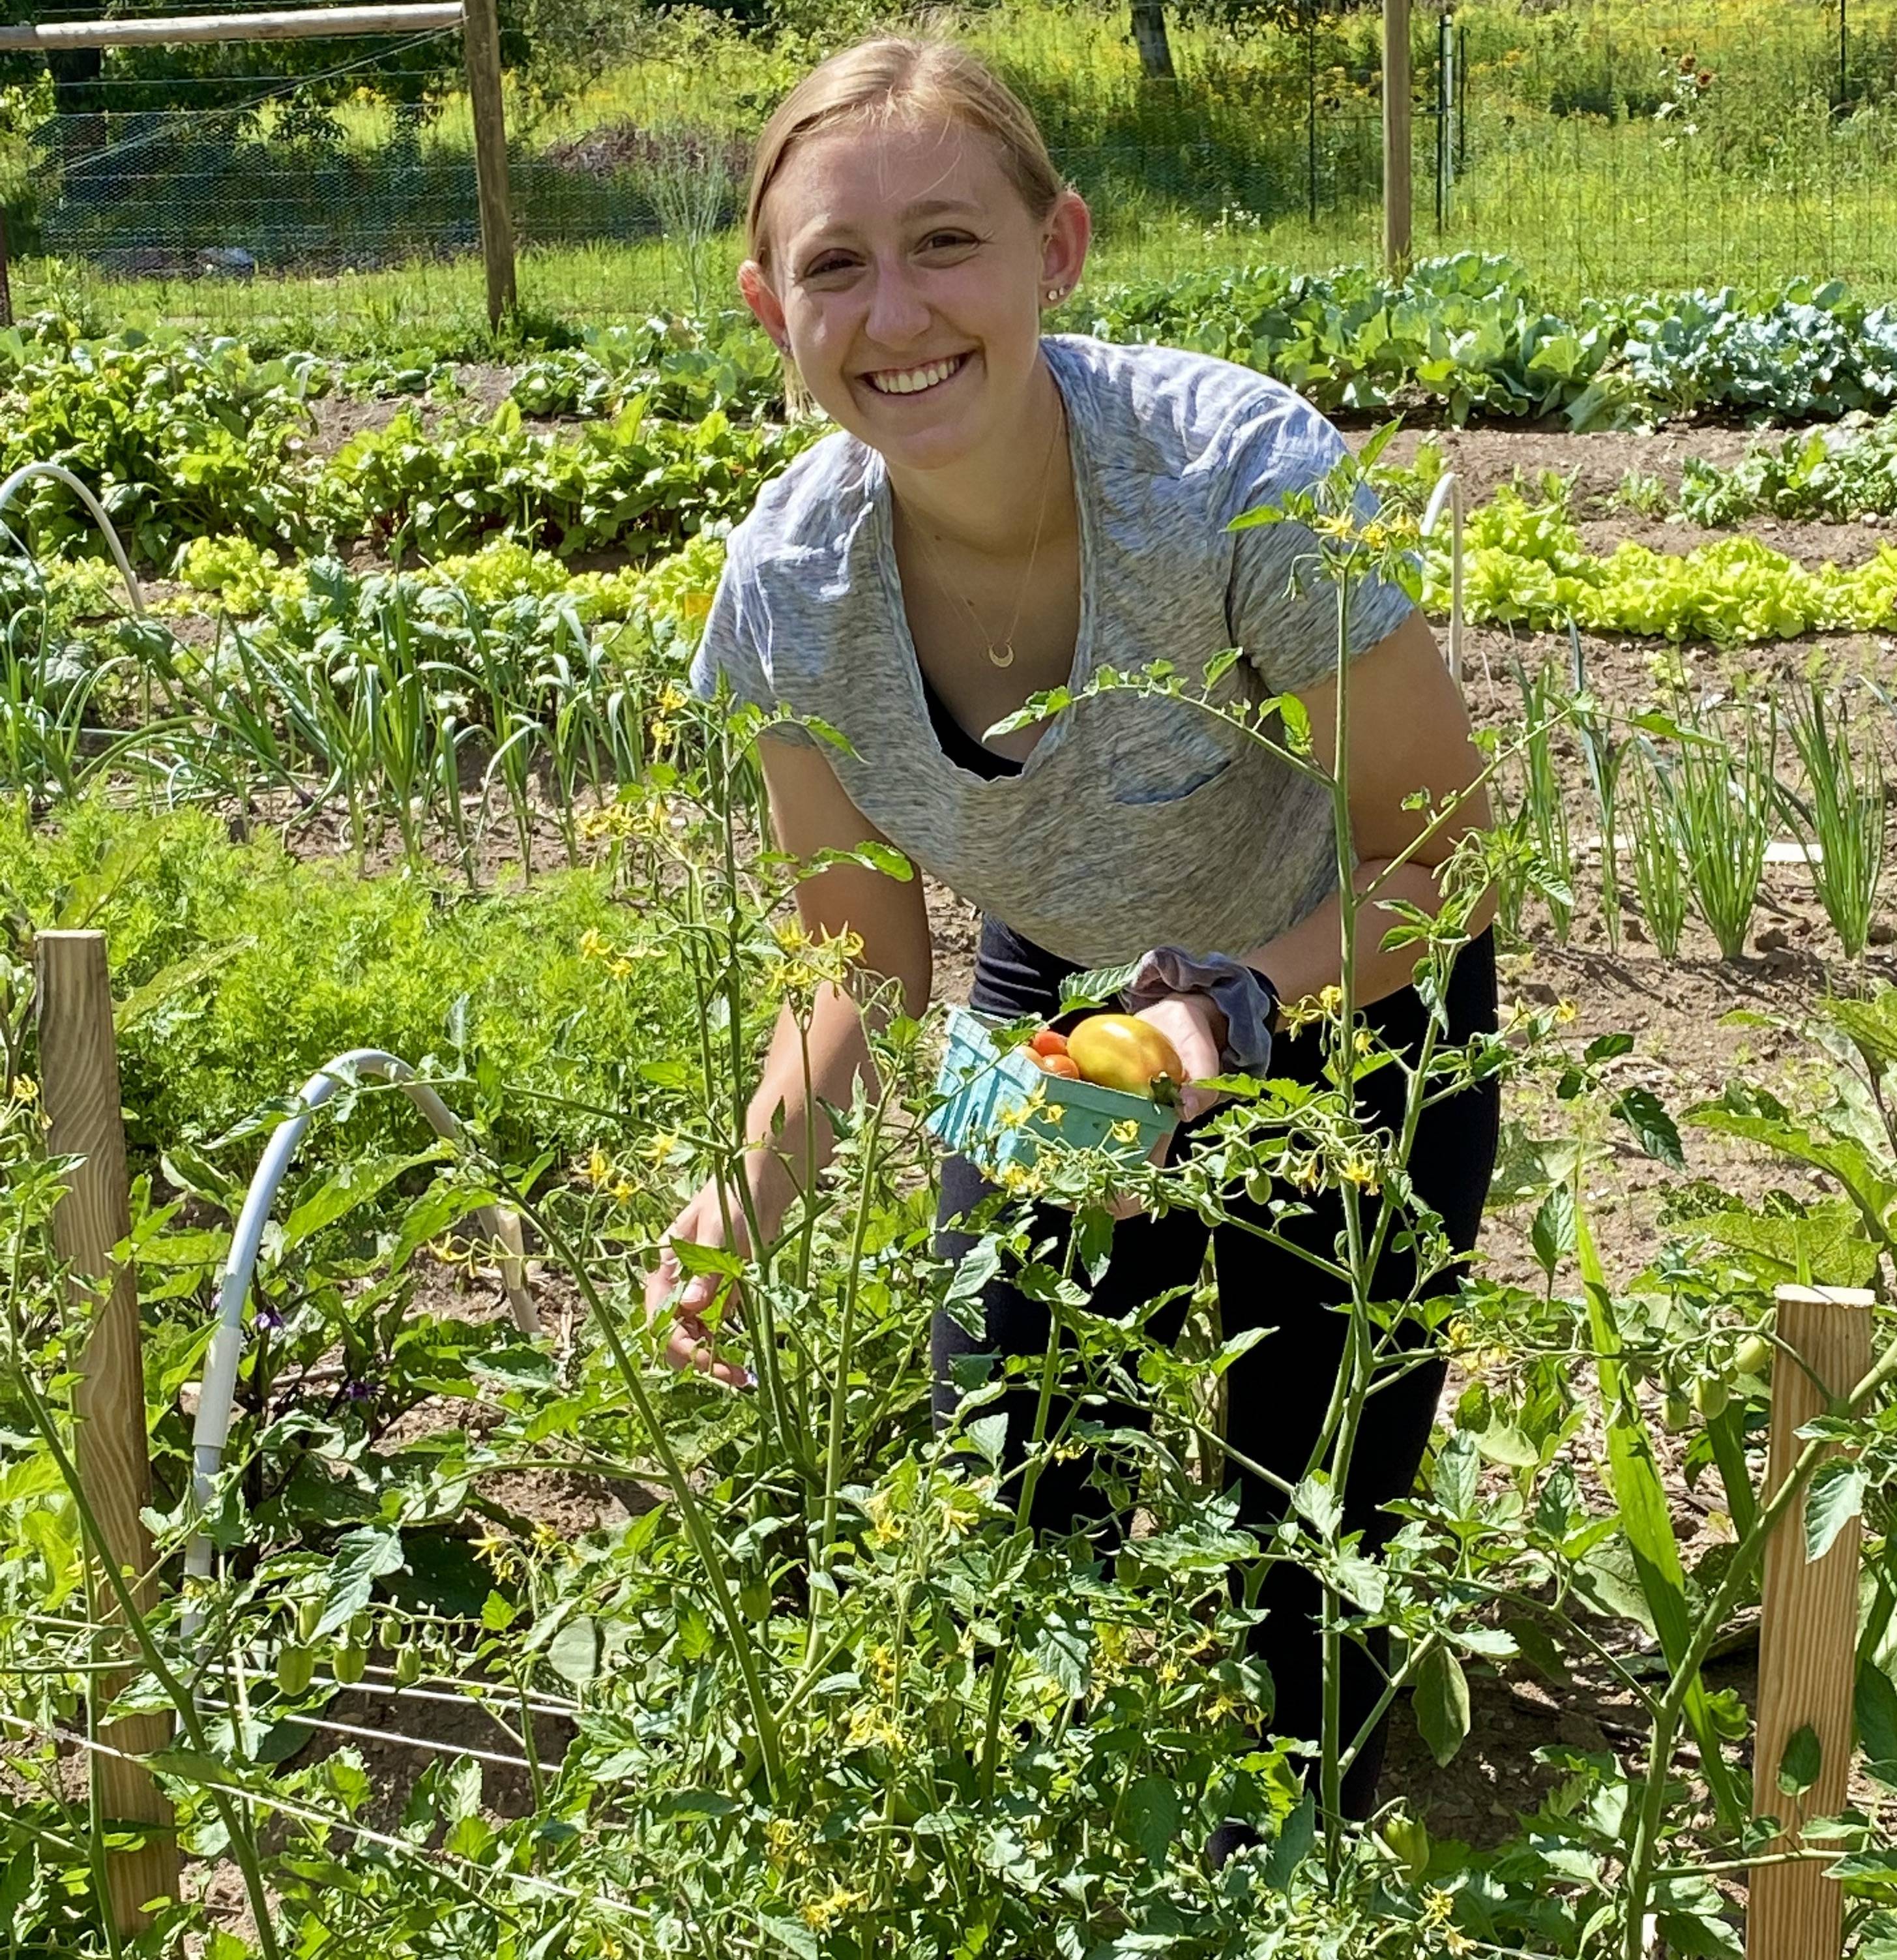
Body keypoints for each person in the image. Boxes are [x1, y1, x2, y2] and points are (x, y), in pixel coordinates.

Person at [645, 35, 1499, 1842]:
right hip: (1066, 1006)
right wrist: (747, 1195)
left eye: (949, 241)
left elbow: (1439, 853)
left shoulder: (1233, 475)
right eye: (834, 264)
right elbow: (856, 968)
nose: (898, 311)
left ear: (1062, 250)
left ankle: (1289, 1860)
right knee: (1017, 1467)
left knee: (1303, 1535)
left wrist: (1229, 1016)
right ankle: (1071, 1860)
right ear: (765, 308)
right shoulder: (790, 591)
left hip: (1350, 994)